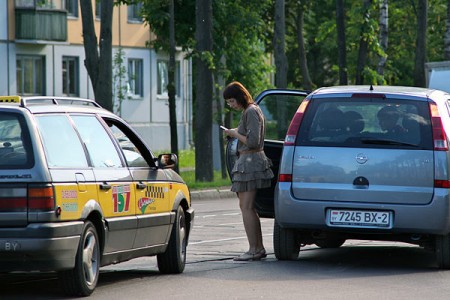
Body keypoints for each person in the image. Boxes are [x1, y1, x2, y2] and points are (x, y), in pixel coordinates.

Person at [222, 81, 274, 261]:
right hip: (248, 162)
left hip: (250, 162)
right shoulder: (250, 111)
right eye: (228, 102)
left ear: (240, 97)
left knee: (246, 207)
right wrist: (235, 131)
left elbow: (252, 141)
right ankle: (257, 248)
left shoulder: (251, 111)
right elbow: (250, 134)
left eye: (231, 101)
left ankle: (254, 249)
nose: (231, 105)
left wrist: (234, 134)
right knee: (248, 208)